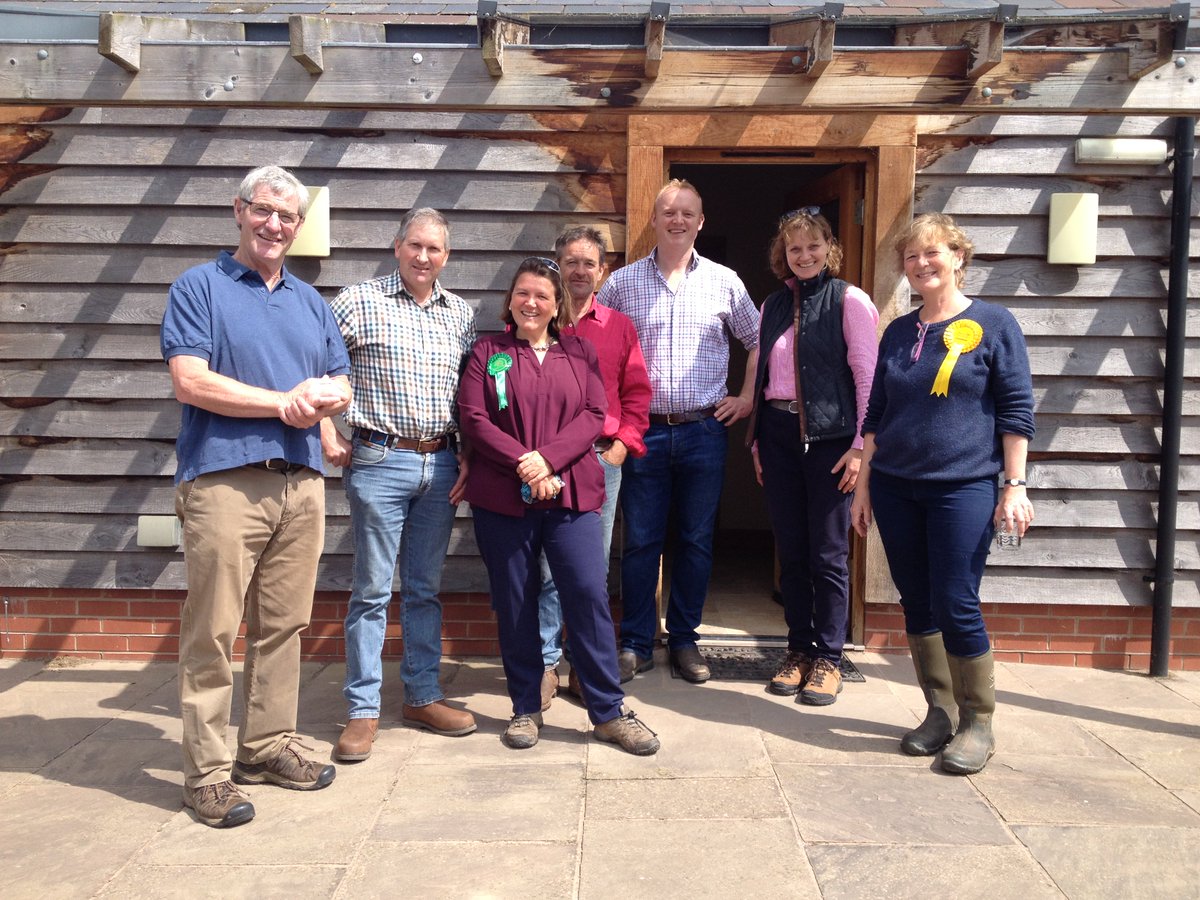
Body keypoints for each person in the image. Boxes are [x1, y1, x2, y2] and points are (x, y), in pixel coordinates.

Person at [161, 164, 352, 828]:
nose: (274, 224)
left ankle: (265, 747)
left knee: (284, 626)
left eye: (287, 216)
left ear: (299, 226)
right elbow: (190, 381)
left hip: (301, 483)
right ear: (238, 210)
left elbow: (340, 381)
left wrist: (326, 400)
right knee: (213, 630)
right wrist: (282, 403)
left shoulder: (310, 302)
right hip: (224, 481)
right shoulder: (199, 287)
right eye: (263, 210)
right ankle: (207, 774)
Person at [850, 212, 1035, 774]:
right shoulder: (898, 332)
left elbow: (1016, 412)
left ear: (958, 256)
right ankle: (940, 711)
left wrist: (1014, 486)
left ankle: (978, 723)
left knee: (956, 599)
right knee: (917, 599)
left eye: (932, 252)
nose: (921, 263)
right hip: (895, 487)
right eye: (911, 256)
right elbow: (876, 416)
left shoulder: (994, 324)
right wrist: (863, 487)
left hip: (964, 488)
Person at [457, 256, 660, 755]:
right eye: (523, 293)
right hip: (503, 496)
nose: (531, 302)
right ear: (510, 299)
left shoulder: (579, 351)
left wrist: (547, 460)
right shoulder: (489, 351)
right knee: (516, 600)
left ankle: (608, 711)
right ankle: (525, 707)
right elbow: (474, 417)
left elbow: (594, 413)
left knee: (588, 594)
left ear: (556, 305)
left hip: (572, 491)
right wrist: (525, 465)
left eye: (542, 296)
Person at [322, 208, 478, 763]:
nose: (423, 257)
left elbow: (468, 395)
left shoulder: (460, 314)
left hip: (440, 464)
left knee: (423, 589)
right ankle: (363, 710)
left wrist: (467, 455)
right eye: (415, 245)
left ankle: (422, 695)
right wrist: (325, 430)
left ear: (446, 256)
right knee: (371, 591)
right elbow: (311, 359)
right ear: (397, 246)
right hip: (379, 459)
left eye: (434, 249)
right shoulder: (358, 302)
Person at [597, 179, 760, 684]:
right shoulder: (622, 284)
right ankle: (636, 643)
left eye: (687, 213)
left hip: (703, 431)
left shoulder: (725, 281)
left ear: (701, 222)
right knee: (641, 541)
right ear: (653, 219)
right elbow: (598, 347)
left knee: (695, 540)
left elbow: (758, 338)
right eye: (668, 211)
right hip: (641, 433)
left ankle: (686, 640)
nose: (677, 220)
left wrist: (747, 397)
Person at [746, 208, 879, 706]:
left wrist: (861, 448)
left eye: (813, 246)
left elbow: (867, 378)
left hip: (832, 443)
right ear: (784, 254)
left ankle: (830, 657)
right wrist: (757, 442)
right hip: (779, 437)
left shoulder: (850, 300)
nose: (804, 255)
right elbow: (762, 376)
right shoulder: (773, 305)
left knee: (827, 554)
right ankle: (798, 650)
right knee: (793, 552)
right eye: (794, 248)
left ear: (829, 248)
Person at [535, 226, 651, 709]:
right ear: (557, 266)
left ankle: (584, 666)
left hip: (600, 460)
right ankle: (544, 665)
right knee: (545, 568)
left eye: (589, 263)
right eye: (571, 262)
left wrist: (621, 448)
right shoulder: (540, 322)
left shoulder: (619, 327)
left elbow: (638, 394)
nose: (579, 271)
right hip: (545, 464)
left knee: (591, 570)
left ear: (603, 272)